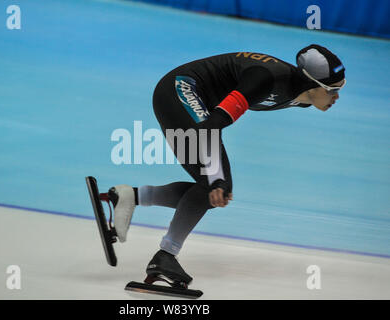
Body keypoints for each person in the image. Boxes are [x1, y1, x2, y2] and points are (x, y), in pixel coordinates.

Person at [107, 44, 346, 286]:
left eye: (340, 88)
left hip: (198, 103)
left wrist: (217, 180)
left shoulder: (303, 98)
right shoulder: (266, 79)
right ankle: (164, 257)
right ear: (310, 82)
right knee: (214, 184)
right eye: (332, 90)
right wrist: (216, 177)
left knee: (215, 189)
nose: (337, 97)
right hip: (180, 90)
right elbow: (211, 127)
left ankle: (129, 197)